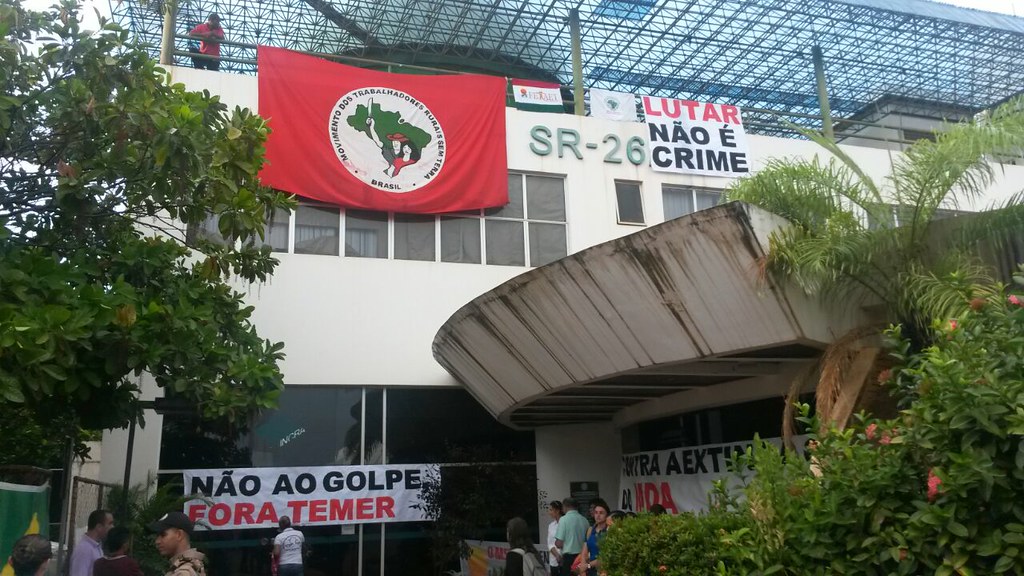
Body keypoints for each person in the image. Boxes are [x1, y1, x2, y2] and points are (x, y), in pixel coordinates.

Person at [148, 511, 206, 576]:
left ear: (179, 535)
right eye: (157, 536)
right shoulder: (188, 566)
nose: (157, 541)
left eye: (163, 535)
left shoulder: (184, 572)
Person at [71, 509, 114, 576]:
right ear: (99, 527)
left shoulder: (96, 546)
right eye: (110, 523)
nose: (112, 527)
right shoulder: (84, 549)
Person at [553, 497, 589, 576]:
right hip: (582, 558)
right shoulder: (585, 520)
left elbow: (559, 543)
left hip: (569, 558)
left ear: (565, 506)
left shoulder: (563, 519)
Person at [575, 499, 610, 576]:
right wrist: (583, 570)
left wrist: (587, 566)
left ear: (607, 515)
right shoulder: (591, 530)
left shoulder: (609, 531)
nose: (598, 515)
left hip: (604, 570)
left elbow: (606, 557)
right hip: (590, 571)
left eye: (601, 513)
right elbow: (584, 552)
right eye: (596, 512)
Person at [546, 501, 563, 576]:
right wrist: (556, 555)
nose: (549, 512)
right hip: (553, 560)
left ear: (557, 511)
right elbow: (550, 543)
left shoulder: (565, 523)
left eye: (551, 510)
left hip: (565, 559)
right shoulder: (551, 525)